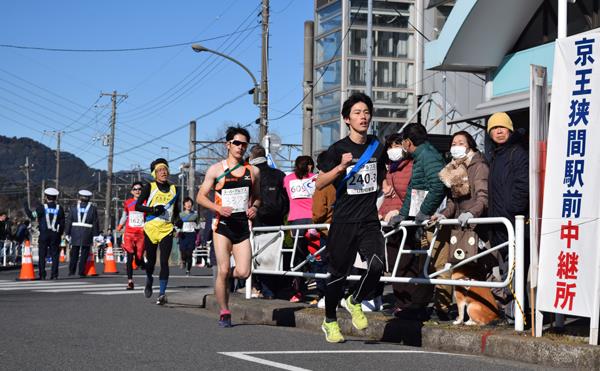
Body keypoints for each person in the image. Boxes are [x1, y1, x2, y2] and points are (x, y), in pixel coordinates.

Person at [316, 93, 387, 343]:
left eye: (366, 112)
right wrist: (340, 167)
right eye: (357, 112)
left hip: (368, 219)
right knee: (338, 275)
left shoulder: (377, 146)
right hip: (344, 221)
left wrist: (385, 187)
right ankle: (330, 321)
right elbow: (319, 183)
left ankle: (354, 300)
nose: (363, 116)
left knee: (377, 264)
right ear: (347, 119)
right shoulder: (338, 150)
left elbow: (381, 174)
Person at [197, 126, 261, 328]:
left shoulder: (253, 171)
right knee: (223, 270)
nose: (241, 147)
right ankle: (224, 311)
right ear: (228, 145)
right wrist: (218, 207)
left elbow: (257, 197)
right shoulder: (217, 170)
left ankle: (223, 276)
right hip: (222, 225)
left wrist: (255, 208)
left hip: (242, 226)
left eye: (244, 144)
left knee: (244, 272)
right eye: (237, 143)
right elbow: (200, 196)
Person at [389, 123, 448, 319]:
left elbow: (438, 186)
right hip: (421, 217)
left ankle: (426, 307)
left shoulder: (427, 156)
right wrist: (403, 215)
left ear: (408, 142)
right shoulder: (421, 156)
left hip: (430, 219)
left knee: (430, 264)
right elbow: (412, 191)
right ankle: (417, 306)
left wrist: (424, 211)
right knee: (424, 263)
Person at [378, 133, 429, 319]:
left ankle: (410, 304)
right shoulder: (390, 169)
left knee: (406, 262)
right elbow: (389, 198)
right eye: (390, 146)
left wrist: (403, 214)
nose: (394, 150)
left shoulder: (413, 166)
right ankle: (404, 303)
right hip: (390, 222)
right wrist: (382, 212)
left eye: (397, 145)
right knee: (396, 262)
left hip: (405, 221)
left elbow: (416, 195)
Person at [486, 112, 529, 320]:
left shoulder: (517, 153)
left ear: (510, 129)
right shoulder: (496, 155)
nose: (499, 131)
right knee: (508, 270)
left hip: (513, 222)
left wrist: (513, 210)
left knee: (516, 269)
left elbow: (523, 186)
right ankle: (513, 314)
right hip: (501, 224)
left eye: (502, 127)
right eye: (494, 128)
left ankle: (518, 315)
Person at [135, 158, 180, 305]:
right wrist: (152, 209)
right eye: (160, 170)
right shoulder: (150, 186)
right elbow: (138, 206)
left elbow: (176, 210)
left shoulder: (175, 189)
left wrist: (178, 219)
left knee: (164, 262)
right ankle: (149, 279)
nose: (163, 172)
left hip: (166, 228)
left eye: (165, 169)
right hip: (151, 228)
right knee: (152, 261)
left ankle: (161, 293)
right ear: (155, 173)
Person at [248, 144, 289, 299]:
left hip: (257, 217)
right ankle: (277, 287)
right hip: (277, 218)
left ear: (252, 157)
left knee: (258, 253)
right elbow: (286, 198)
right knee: (276, 252)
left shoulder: (251, 172)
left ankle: (265, 289)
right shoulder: (279, 174)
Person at [284, 155, 316, 303]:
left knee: (298, 256)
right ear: (309, 165)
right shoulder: (315, 178)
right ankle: (318, 283)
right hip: (313, 220)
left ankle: (297, 291)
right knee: (317, 253)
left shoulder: (288, 179)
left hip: (295, 221)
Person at [310, 151, 335, 307]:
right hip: (343, 228)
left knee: (324, 264)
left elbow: (319, 212)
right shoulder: (340, 181)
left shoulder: (322, 184)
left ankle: (325, 295)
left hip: (327, 229)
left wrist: (315, 221)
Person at [24, 188, 65, 280]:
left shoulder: (42, 208)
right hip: (55, 235)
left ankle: (42, 275)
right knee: (55, 255)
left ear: (46, 197)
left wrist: (26, 207)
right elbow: (62, 224)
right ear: (56, 198)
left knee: (42, 255)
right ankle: (54, 275)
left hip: (44, 234)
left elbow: (32, 215)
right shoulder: (60, 209)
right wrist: (60, 233)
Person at [116, 181, 146, 290]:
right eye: (135, 189)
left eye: (139, 189)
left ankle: (142, 263)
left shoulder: (146, 202)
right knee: (129, 257)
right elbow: (124, 216)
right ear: (131, 191)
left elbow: (149, 217)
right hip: (129, 233)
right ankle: (130, 281)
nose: (137, 191)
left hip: (141, 234)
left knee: (138, 258)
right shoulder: (128, 202)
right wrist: (120, 225)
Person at [65, 190, 100, 278]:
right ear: (89, 198)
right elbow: (95, 222)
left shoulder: (73, 207)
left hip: (75, 232)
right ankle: (81, 271)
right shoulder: (93, 209)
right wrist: (96, 235)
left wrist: (67, 233)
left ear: (79, 197)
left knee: (74, 253)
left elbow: (69, 221)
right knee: (84, 253)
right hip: (87, 232)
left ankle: (71, 271)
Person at [175, 197, 199, 276]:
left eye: (190, 203)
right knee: (183, 251)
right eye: (187, 203)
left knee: (189, 253)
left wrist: (197, 228)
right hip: (183, 234)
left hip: (191, 235)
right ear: (184, 205)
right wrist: (177, 231)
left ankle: (188, 270)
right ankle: (183, 260)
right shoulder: (181, 215)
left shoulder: (195, 215)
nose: (188, 204)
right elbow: (177, 224)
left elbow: (199, 225)